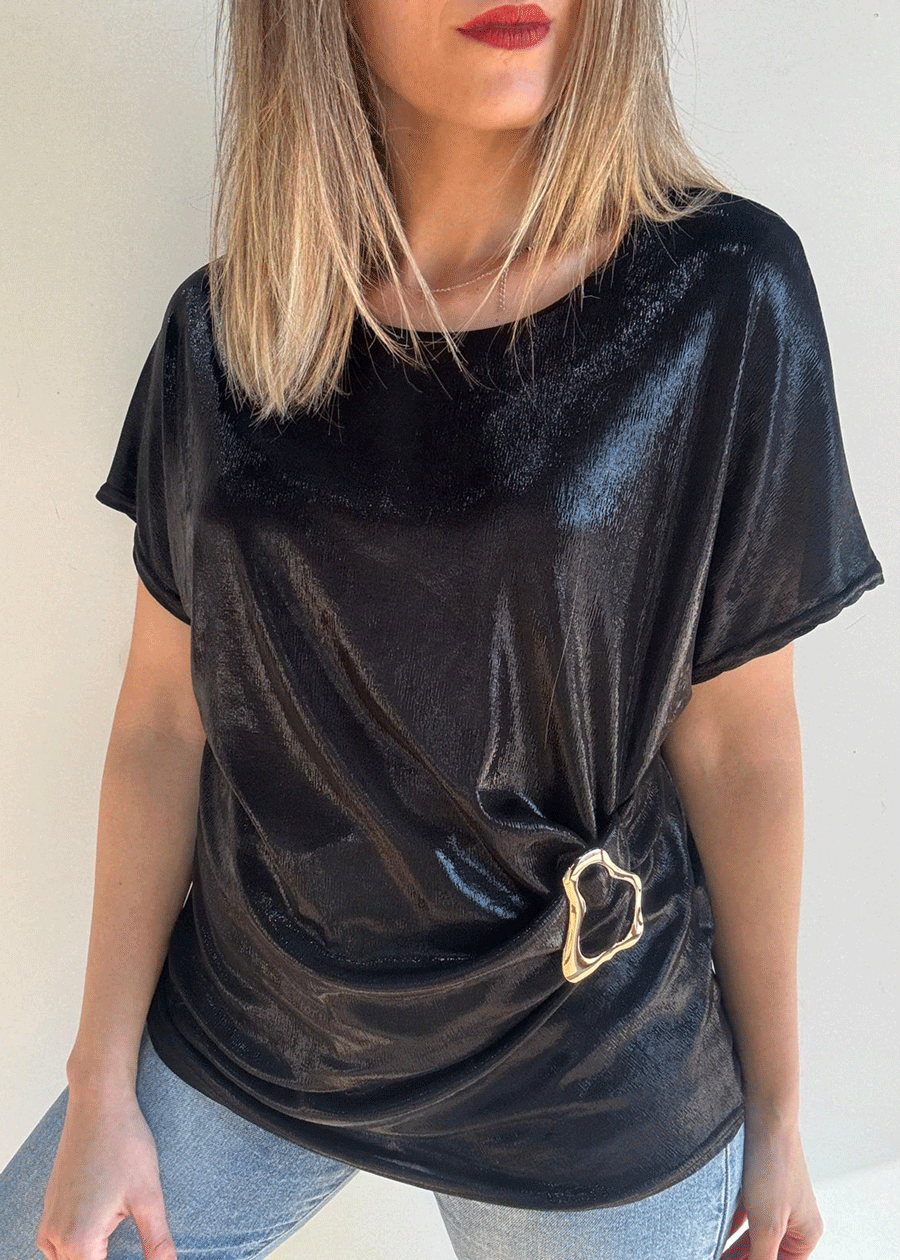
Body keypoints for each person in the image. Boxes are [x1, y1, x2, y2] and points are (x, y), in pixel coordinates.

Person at [0, 0, 886, 1257]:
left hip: (582, 1074)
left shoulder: (721, 296)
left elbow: (740, 745)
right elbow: (159, 723)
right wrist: (100, 1084)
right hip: (262, 1027)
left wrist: (784, 1115)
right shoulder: (226, 335)